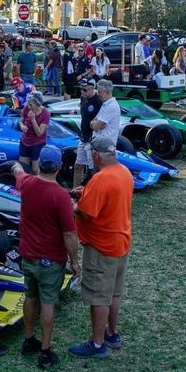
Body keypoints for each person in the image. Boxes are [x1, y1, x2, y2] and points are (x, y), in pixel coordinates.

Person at [12, 149, 81, 370]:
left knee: (30, 296)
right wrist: (75, 261)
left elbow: (17, 172)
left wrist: (15, 167)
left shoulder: (27, 184)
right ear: (59, 167)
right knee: (48, 303)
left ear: (39, 163)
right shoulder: (60, 195)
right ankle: (45, 351)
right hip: (50, 260)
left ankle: (29, 339)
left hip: (28, 256)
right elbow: (69, 234)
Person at [68, 135, 133, 359]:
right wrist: (85, 194)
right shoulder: (124, 172)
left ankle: (97, 345)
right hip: (120, 242)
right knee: (114, 292)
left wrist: (74, 204)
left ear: (96, 155)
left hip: (101, 247)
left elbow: (86, 212)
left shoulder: (100, 179)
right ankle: (112, 334)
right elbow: (106, 202)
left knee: (98, 297)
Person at [73, 79, 103, 187]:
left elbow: (100, 122)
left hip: (92, 140)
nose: (82, 92)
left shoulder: (98, 102)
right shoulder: (84, 99)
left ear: (92, 88)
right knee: (78, 165)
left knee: (92, 169)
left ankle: (94, 191)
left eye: (85, 90)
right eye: (81, 89)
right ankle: (75, 190)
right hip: (84, 138)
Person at [18, 92, 50, 174]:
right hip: (25, 142)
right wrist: (22, 126)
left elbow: (39, 133)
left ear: (37, 104)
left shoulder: (45, 113)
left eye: (31, 105)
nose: (29, 106)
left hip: (37, 143)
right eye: (28, 104)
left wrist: (33, 119)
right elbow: (21, 121)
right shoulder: (26, 108)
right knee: (23, 167)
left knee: (35, 169)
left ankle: (39, 184)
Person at [90, 79, 121, 149]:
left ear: (107, 92)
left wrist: (96, 123)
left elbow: (95, 127)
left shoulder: (112, 106)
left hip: (105, 148)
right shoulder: (105, 105)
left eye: (99, 92)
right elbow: (92, 124)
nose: (97, 94)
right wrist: (95, 123)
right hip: (100, 145)